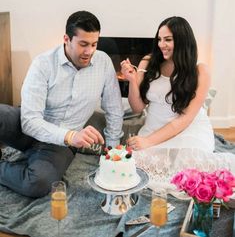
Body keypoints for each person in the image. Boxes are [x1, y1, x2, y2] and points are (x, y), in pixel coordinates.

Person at [0, 11, 124, 197]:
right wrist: (70, 135)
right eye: (83, 44)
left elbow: (114, 109)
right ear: (66, 39)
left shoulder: (103, 62)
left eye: (94, 44)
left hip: (60, 146)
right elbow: (29, 121)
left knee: (38, 184)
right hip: (27, 129)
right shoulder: (43, 63)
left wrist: (112, 152)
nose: (89, 51)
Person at [121, 16, 235, 189]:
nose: (161, 44)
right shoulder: (148, 61)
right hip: (154, 128)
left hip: (188, 130)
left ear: (182, 41)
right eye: (159, 39)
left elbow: (184, 120)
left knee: (189, 168)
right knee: (132, 166)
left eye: (168, 39)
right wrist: (131, 80)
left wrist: (149, 142)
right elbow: (137, 107)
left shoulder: (200, 71)